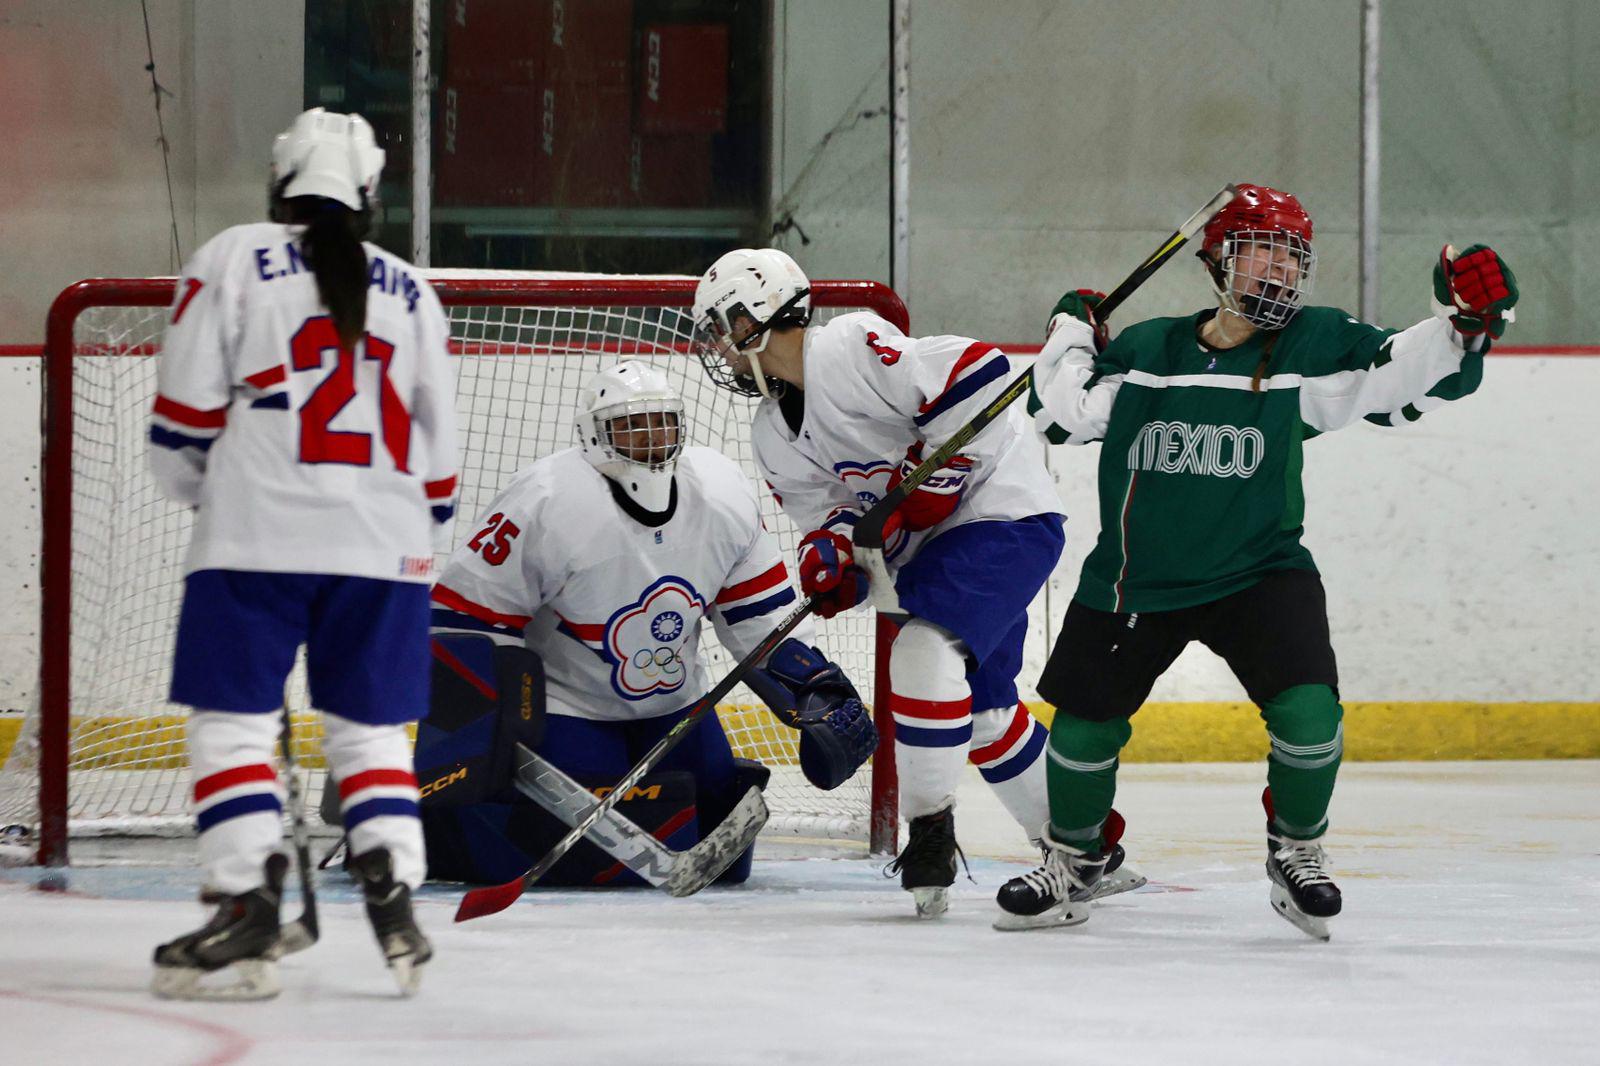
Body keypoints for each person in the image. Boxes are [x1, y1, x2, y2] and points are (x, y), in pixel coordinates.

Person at [1004, 183, 1517, 937]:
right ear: (1218, 262)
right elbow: (1058, 414)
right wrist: (1070, 330)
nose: (1278, 273)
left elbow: (1402, 374)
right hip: (1134, 577)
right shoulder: (1148, 350)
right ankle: (1076, 862)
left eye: (1291, 257)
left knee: (1312, 717)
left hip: (1259, 570)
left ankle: (1296, 851)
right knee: (1081, 732)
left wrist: (1465, 324)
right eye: (1260, 254)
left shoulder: (1309, 345)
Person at [691, 248, 1144, 919]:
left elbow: (982, 373)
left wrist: (931, 481)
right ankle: (1089, 848)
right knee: (984, 714)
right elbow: (839, 516)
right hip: (934, 555)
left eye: (721, 331)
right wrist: (833, 559)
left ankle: (929, 835)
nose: (719, 351)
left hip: (1001, 513)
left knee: (922, 651)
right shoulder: (771, 435)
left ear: (752, 321)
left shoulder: (849, 345)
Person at [148, 108, 457, 998]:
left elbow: (184, 422)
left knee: (233, 724)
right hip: (387, 543)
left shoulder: (231, 257)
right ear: (370, 194)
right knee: (368, 732)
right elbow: (441, 465)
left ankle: (246, 903)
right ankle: (395, 891)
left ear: (280, 184)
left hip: (254, 535)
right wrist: (399, 526)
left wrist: (211, 492)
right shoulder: (410, 288)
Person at [423, 361, 876, 887]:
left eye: (661, 421)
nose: (651, 437)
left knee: (721, 835)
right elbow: (464, 614)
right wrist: (500, 730)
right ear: (595, 435)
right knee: (582, 849)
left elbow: (758, 613)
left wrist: (811, 687)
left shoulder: (720, 490)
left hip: (675, 705)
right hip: (571, 705)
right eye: (631, 424)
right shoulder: (547, 499)